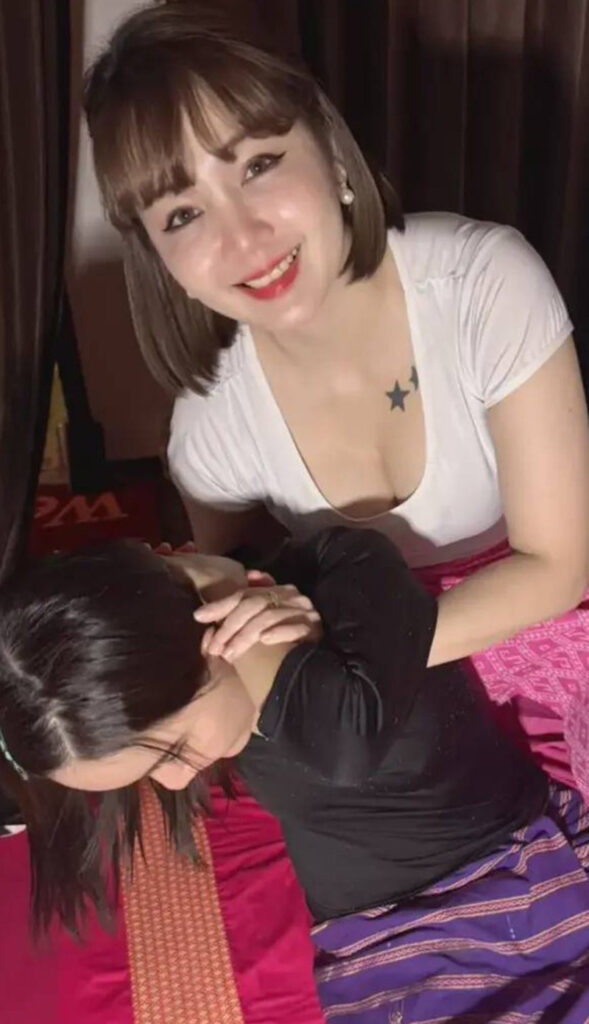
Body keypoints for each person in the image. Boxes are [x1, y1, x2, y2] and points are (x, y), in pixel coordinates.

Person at [83, 2, 589, 796]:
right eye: (182, 214)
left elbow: (556, 570)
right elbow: (242, 587)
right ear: (158, 257)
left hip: (544, 644)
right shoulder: (208, 429)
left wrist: (347, 657)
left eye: (257, 165)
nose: (243, 238)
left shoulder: (481, 282)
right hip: (390, 709)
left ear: (329, 149)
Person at [1, 527, 589, 1020]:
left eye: (172, 751)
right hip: (380, 943)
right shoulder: (267, 641)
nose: (178, 782)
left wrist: (232, 592)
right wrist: (222, 585)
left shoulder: (338, 596)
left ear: (204, 647)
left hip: (491, 894)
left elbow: (347, 736)